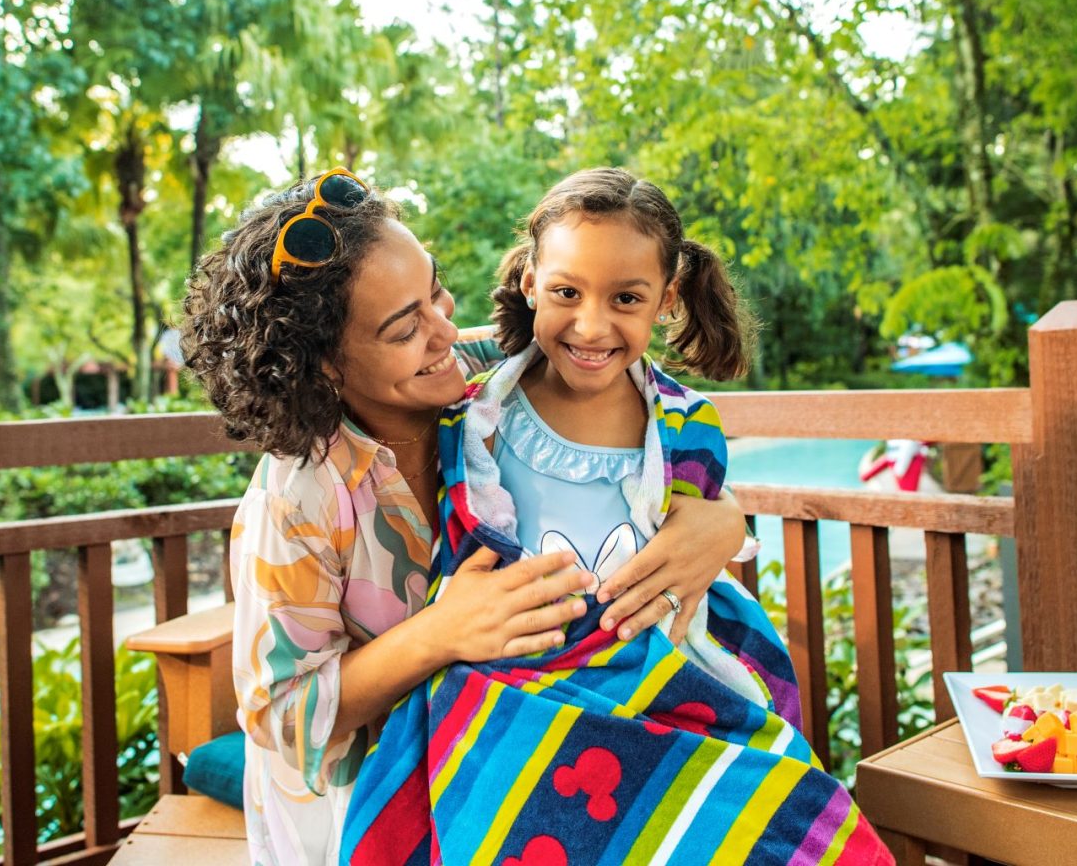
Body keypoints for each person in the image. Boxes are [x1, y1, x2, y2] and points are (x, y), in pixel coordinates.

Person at [180, 168, 750, 864]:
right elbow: (281, 717)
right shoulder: (299, 498)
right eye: (405, 327)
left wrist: (722, 519)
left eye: (435, 291)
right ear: (323, 364)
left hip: (516, 755)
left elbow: (635, 409)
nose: (447, 330)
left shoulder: (485, 371)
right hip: (369, 808)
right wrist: (439, 634)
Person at [342, 169, 889, 865]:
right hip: (512, 681)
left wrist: (725, 523)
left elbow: (702, 533)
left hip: (661, 675)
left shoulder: (686, 423)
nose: (592, 326)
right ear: (531, 283)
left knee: (782, 818)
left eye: (626, 298)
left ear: (665, 301)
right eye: (567, 292)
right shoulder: (475, 410)